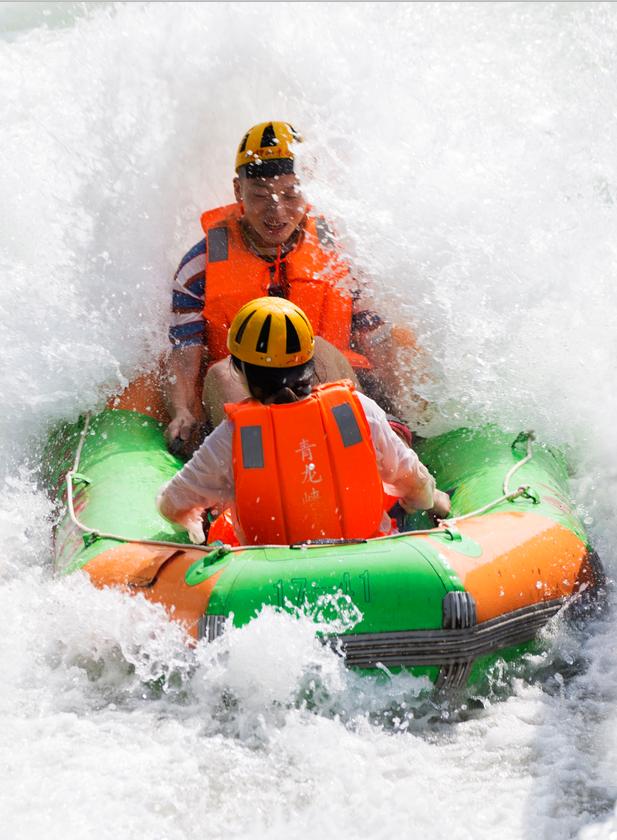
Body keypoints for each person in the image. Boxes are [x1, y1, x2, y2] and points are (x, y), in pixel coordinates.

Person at [165, 120, 414, 457]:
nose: (277, 210)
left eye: (290, 193)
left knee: (319, 348)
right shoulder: (200, 266)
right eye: (260, 195)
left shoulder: (339, 255)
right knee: (222, 374)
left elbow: (374, 335)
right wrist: (183, 411)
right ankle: (251, 475)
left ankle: (364, 459)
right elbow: (184, 355)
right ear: (239, 191)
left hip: (330, 392)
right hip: (245, 400)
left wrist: (404, 404)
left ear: (308, 189)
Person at [158, 298, 450, 546]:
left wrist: (194, 526)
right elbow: (412, 481)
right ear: (311, 364)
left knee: (224, 525)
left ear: (239, 370)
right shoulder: (358, 409)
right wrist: (429, 500)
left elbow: (173, 504)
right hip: (366, 556)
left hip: (268, 573)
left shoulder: (232, 437)